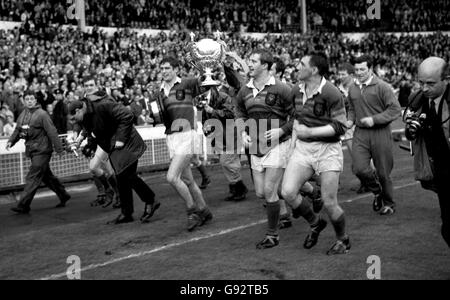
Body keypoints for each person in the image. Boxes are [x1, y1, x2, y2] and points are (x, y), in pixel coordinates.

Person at [281, 53, 350, 255]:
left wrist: (310, 132)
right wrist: (292, 146)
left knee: (329, 202)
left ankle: (343, 240)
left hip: (328, 150)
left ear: (314, 70)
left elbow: (340, 127)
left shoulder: (331, 92)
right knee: (287, 192)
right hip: (303, 149)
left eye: (302, 64)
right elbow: (296, 121)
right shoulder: (296, 90)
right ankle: (315, 223)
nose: (297, 66)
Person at [68, 77, 160, 225]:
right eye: (86, 85)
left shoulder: (104, 103)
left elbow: (127, 116)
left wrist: (121, 139)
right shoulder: (86, 106)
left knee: (127, 175)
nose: (75, 121)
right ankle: (127, 212)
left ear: (79, 110)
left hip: (126, 142)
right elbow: (90, 127)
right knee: (122, 177)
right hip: (113, 144)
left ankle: (150, 200)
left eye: (74, 117)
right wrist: (84, 140)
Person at [235, 49, 294, 249]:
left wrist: (282, 131)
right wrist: (243, 132)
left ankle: (272, 235)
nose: (249, 64)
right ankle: (311, 216)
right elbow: (239, 113)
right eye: (249, 60)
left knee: (269, 190)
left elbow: (298, 115)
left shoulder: (283, 89)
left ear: (266, 66)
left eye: (253, 61)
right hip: (256, 145)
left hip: (279, 143)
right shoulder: (244, 90)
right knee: (261, 192)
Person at [153, 56, 213, 231]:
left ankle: (192, 211)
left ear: (175, 69)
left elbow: (205, 82)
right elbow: (162, 118)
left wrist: (205, 67)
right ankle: (204, 210)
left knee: (172, 177)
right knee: (188, 180)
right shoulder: (160, 93)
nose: (164, 71)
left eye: (167, 68)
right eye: (162, 68)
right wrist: (155, 118)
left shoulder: (186, 84)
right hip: (172, 137)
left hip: (187, 136)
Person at [347, 55, 402, 215]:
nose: (359, 72)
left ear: (370, 69)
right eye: (356, 69)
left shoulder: (382, 86)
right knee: (359, 169)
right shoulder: (353, 88)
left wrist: (374, 119)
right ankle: (377, 191)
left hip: (380, 132)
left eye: (362, 69)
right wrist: (350, 121)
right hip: (360, 133)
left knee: (383, 172)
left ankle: (389, 204)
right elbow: (351, 108)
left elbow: (395, 110)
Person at [404, 57, 450, 247]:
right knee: (447, 228)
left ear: (446, 79)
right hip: (438, 170)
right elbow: (410, 129)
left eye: (430, 83)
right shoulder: (417, 98)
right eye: (421, 82)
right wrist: (412, 128)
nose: (424, 88)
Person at [6, 90, 71, 214]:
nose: (29, 101)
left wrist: (59, 148)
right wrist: (11, 141)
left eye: (32, 99)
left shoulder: (42, 114)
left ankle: (23, 205)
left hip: (42, 151)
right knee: (47, 177)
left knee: (33, 176)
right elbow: (17, 130)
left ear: (36, 101)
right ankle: (63, 195)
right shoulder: (23, 114)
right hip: (33, 150)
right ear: (24, 101)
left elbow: (52, 131)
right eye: (27, 99)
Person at [196, 81, 248, 202]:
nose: (201, 90)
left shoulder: (223, 97)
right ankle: (235, 188)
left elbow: (230, 114)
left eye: (203, 87)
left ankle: (239, 188)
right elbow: (202, 119)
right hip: (218, 136)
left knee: (227, 161)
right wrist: (205, 127)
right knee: (227, 163)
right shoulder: (201, 101)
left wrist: (212, 111)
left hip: (229, 134)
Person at [337, 63, 371, 194]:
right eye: (339, 74)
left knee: (359, 157)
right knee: (355, 158)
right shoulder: (339, 88)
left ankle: (369, 181)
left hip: (358, 126)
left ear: (351, 75)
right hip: (346, 126)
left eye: (343, 74)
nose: (340, 76)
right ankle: (367, 181)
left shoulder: (359, 87)